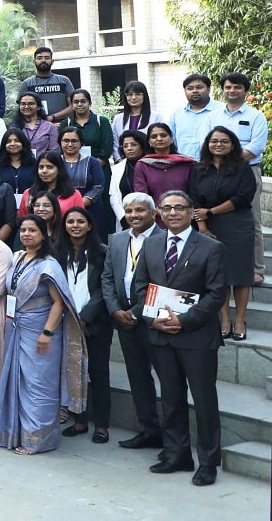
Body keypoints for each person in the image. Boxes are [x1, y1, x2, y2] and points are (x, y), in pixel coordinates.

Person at [133, 189, 229, 484]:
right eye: (167, 207)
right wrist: (158, 320)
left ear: (191, 212)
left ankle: (209, 461)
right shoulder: (151, 244)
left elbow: (216, 294)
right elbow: (140, 288)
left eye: (179, 207)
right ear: (159, 213)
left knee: (203, 401)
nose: (173, 212)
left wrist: (184, 321)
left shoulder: (211, 248)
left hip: (197, 337)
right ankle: (178, 454)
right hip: (162, 334)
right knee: (171, 398)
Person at [0, 214, 87, 454]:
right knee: (17, 383)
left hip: (40, 332)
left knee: (38, 386)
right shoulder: (19, 257)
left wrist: (47, 332)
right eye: (23, 230)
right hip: (15, 328)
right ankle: (15, 434)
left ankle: (38, 440)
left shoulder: (49, 265)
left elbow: (58, 303)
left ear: (43, 234)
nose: (26, 234)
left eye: (32, 230)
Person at [101, 192, 165, 452]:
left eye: (140, 210)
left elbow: (161, 283)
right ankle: (149, 430)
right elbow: (107, 278)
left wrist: (137, 313)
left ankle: (173, 437)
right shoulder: (116, 240)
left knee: (167, 379)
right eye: (129, 211)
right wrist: (116, 310)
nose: (134, 216)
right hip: (123, 319)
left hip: (152, 319)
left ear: (153, 213)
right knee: (138, 378)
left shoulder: (164, 239)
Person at [187, 126, 256, 341]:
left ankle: (239, 321)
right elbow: (194, 201)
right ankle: (224, 320)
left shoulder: (242, 167)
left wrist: (211, 211)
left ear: (232, 144)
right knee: (219, 276)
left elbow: (243, 197)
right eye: (214, 141)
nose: (218, 144)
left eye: (224, 141)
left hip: (238, 225)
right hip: (209, 226)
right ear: (207, 144)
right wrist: (203, 227)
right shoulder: (198, 169)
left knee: (241, 275)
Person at [59, 206, 112, 442]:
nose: (75, 226)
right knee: (73, 373)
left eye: (81, 221)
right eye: (70, 222)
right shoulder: (57, 252)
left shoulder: (103, 252)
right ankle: (79, 421)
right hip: (65, 321)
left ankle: (101, 425)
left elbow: (105, 288)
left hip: (95, 323)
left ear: (89, 225)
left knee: (98, 373)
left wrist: (85, 317)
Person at [165, 73, 223, 160]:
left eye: (199, 87)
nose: (194, 91)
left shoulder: (222, 110)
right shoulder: (176, 114)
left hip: (215, 165)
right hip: (184, 165)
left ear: (209, 89)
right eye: (190, 88)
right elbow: (171, 142)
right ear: (185, 90)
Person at [20, 48, 74, 122]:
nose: (43, 60)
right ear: (34, 62)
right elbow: (22, 108)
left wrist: (53, 117)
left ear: (52, 61)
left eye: (47, 58)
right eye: (39, 58)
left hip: (61, 126)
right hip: (35, 127)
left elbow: (73, 106)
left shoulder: (64, 81)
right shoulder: (27, 83)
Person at [110, 129, 150, 226]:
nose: (129, 148)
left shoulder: (151, 165)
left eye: (133, 144)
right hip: (126, 220)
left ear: (142, 145)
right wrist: (123, 217)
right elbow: (114, 195)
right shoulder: (116, 169)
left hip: (150, 218)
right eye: (125, 146)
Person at [112, 81, 159, 155]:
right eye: (129, 94)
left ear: (144, 96)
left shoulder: (156, 117)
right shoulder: (118, 119)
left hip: (148, 160)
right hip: (124, 161)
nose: (133, 97)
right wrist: (119, 159)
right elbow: (115, 143)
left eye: (138, 94)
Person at [0, 128, 37, 202]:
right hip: (4, 205)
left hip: (30, 204)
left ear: (23, 143)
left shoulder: (34, 164)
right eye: (8, 141)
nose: (13, 144)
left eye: (17, 140)